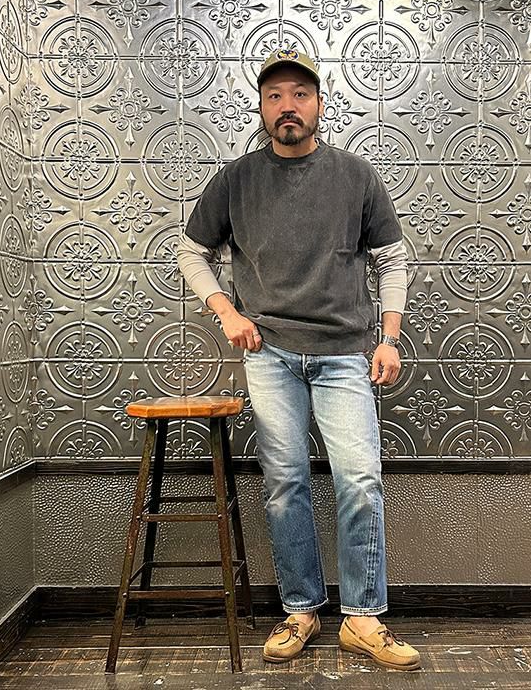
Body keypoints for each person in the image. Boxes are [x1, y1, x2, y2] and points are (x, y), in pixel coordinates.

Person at [177, 48, 420, 671]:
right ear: (261, 108)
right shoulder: (235, 180)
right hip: (270, 354)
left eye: (300, 95)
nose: (288, 106)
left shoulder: (356, 175)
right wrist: (226, 312)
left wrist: (389, 337)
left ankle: (362, 619)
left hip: (345, 354)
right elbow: (191, 251)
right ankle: (302, 610)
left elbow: (392, 259)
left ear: (319, 104)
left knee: (359, 480)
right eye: (275, 96)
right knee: (285, 484)